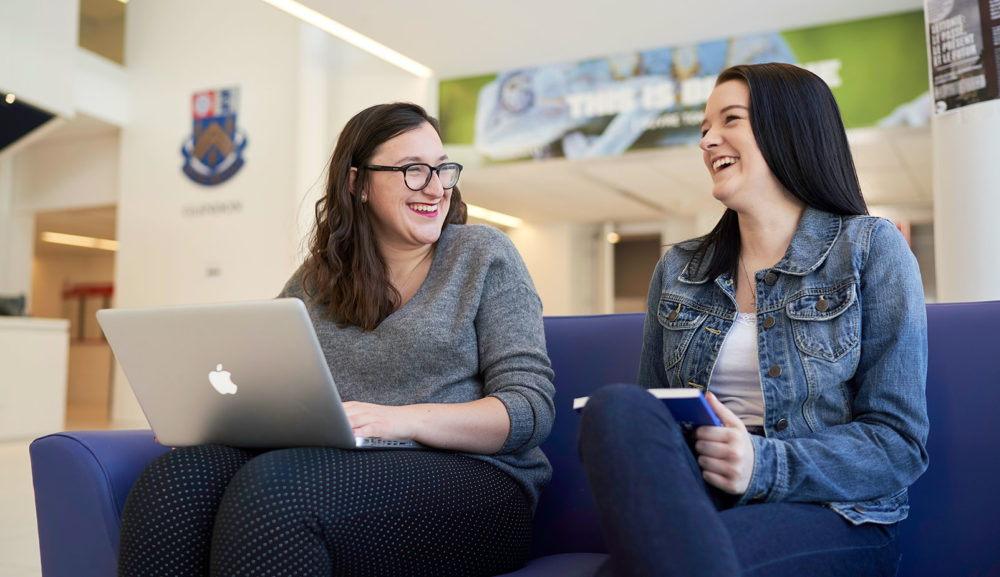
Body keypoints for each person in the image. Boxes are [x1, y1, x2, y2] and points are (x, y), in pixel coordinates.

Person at [118, 102, 555, 577]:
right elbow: (259, 373)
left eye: (442, 169)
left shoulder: (483, 255)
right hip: (342, 465)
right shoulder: (319, 278)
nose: (435, 187)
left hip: (480, 484)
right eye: (413, 170)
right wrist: (206, 418)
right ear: (357, 183)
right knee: (171, 483)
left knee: (276, 496)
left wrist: (396, 421)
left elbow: (529, 410)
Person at [577, 62, 928, 576]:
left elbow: (898, 444)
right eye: (703, 130)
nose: (707, 141)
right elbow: (659, 416)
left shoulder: (871, 249)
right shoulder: (678, 269)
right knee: (616, 407)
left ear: (789, 129)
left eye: (729, 120)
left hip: (834, 513)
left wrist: (761, 463)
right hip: (699, 502)